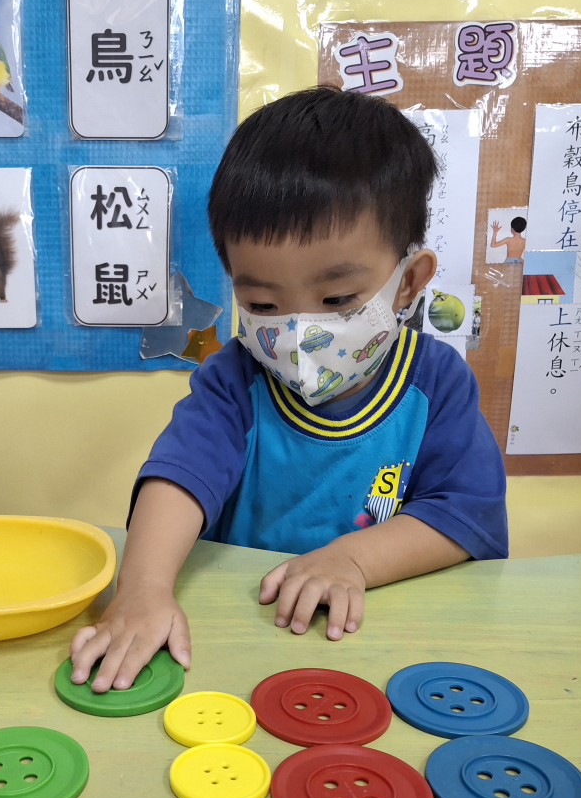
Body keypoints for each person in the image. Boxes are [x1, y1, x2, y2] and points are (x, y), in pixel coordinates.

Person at [69, 85, 508, 693]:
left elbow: (463, 515)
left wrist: (352, 559)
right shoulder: (234, 378)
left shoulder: (436, 385)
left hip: (383, 648)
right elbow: (180, 477)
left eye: (337, 298)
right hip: (241, 636)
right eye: (262, 303)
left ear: (408, 283)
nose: (301, 334)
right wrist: (143, 589)